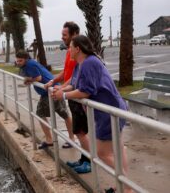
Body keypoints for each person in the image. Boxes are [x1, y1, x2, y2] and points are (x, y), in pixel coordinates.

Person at [52, 35, 130, 193]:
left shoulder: (89, 62)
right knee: (118, 149)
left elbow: (86, 91)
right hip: (112, 110)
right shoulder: (85, 63)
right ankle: (122, 186)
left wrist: (64, 96)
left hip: (109, 112)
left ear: (78, 49)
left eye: (70, 47)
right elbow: (75, 83)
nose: (69, 50)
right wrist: (61, 90)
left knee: (101, 153)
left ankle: (127, 187)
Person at [44, 21, 91, 173]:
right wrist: (55, 82)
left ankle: (89, 161)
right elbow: (68, 74)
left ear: (75, 35)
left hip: (77, 94)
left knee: (81, 131)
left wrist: (63, 91)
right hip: (71, 93)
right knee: (80, 130)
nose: (62, 37)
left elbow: (77, 78)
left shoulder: (79, 54)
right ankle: (84, 159)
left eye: (65, 35)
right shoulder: (70, 52)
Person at [15, 50, 75, 149]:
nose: (18, 63)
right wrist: (29, 79)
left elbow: (38, 78)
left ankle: (58, 139)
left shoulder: (30, 64)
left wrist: (29, 80)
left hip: (51, 91)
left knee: (50, 114)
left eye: (20, 61)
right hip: (49, 91)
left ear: (26, 59)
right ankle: (61, 139)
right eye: (17, 61)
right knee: (62, 114)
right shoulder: (27, 64)